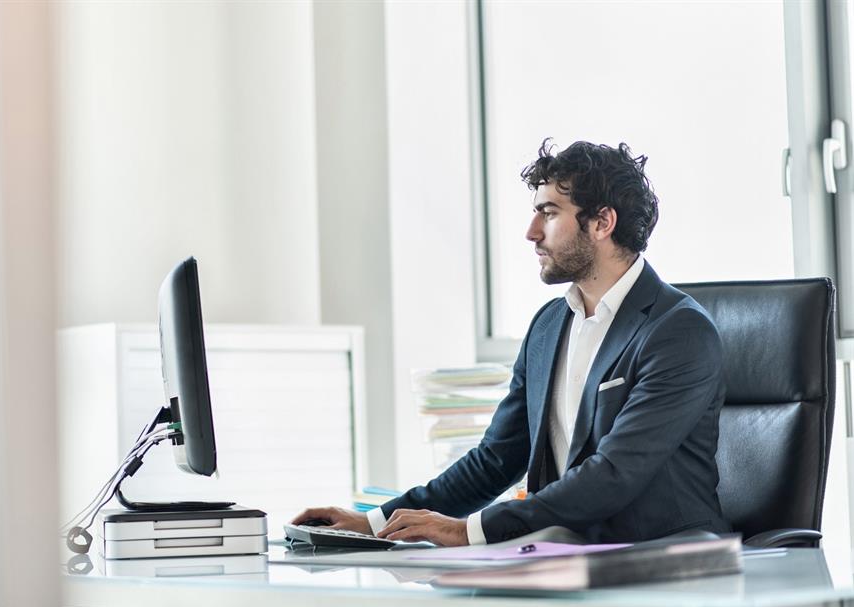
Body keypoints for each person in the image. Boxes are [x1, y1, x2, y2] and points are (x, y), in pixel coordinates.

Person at [292, 139, 731, 546]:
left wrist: (469, 530)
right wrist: (373, 523)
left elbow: (615, 474)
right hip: (563, 554)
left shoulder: (678, 332)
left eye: (550, 213)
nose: (531, 232)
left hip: (662, 560)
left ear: (602, 222)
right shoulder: (548, 325)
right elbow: (496, 459)